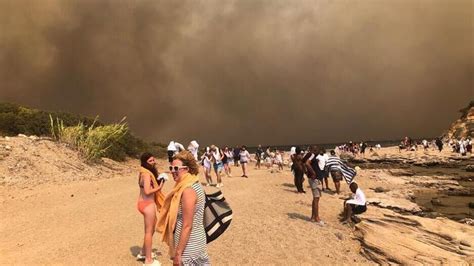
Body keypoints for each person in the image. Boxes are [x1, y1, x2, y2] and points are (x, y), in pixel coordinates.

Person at [157, 151, 210, 265]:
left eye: (176, 168)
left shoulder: (188, 190)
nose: (172, 171)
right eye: (171, 168)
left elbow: (187, 226)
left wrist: (178, 253)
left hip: (189, 247)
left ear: (187, 169)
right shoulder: (193, 183)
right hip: (194, 241)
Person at [137, 153, 165, 265]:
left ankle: (144, 252)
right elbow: (148, 191)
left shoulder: (142, 172)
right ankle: (148, 260)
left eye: (153, 160)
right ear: (145, 162)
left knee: (152, 228)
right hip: (148, 204)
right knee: (148, 232)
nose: (153, 162)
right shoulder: (147, 174)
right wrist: (160, 187)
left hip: (142, 203)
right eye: (150, 161)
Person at [303, 146, 324, 225]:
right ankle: (317, 218)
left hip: (314, 179)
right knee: (316, 199)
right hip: (314, 180)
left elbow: (306, 164)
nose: (318, 150)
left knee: (315, 199)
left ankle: (312, 217)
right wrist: (313, 173)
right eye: (317, 149)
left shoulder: (312, 156)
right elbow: (307, 163)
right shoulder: (312, 155)